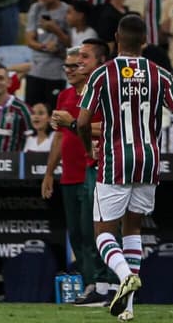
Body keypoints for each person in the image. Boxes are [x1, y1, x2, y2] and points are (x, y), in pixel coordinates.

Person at [78, 14, 173, 319]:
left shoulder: (103, 74)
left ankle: (123, 277)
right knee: (133, 229)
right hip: (149, 161)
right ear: (144, 41)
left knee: (103, 234)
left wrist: (87, 146)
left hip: (116, 160)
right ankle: (127, 309)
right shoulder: (161, 74)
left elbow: (81, 121)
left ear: (116, 38)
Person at [43, 42, 112, 307]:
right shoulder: (65, 97)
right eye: (69, 65)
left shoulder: (99, 93)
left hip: (93, 170)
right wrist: (50, 172)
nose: (72, 69)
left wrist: (70, 123)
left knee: (93, 232)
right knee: (77, 235)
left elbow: (105, 127)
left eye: (78, 63)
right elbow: (60, 137)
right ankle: (90, 285)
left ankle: (103, 284)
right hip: (70, 175)